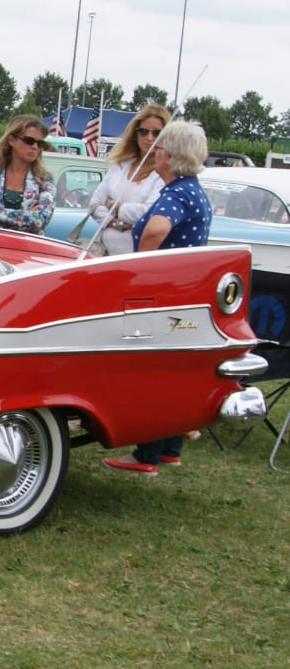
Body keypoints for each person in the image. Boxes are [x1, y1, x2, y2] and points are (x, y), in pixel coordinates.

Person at [104, 120, 212, 476]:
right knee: (172, 372)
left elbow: (155, 229)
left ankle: (147, 453)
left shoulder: (175, 194)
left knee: (151, 372)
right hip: (183, 292)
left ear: (171, 156)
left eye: (160, 148)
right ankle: (168, 448)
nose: (155, 153)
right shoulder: (193, 190)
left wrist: (142, 270)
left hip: (162, 292)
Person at [86, 104, 169, 256]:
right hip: (106, 255)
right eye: (143, 131)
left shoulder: (163, 172)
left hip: (138, 257)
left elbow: (147, 213)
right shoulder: (121, 165)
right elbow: (95, 203)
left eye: (156, 133)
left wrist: (113, 206)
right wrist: (119, 224)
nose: (149, 138)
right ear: (135, 133)